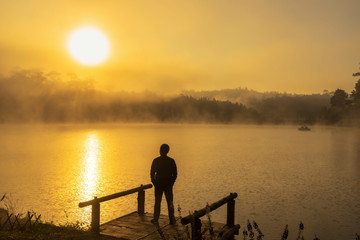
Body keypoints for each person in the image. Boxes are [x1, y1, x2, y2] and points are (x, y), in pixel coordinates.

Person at [150, 144, 177, 225]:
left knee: (158, 202)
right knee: (169, 202)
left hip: (159, 184)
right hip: (166, 184)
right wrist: (171, 183)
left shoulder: (156, 160)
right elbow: (175, 174)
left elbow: (152, 173)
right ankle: (171, 220)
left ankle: (156, 219)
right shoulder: (171, 161)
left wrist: (154, 182)